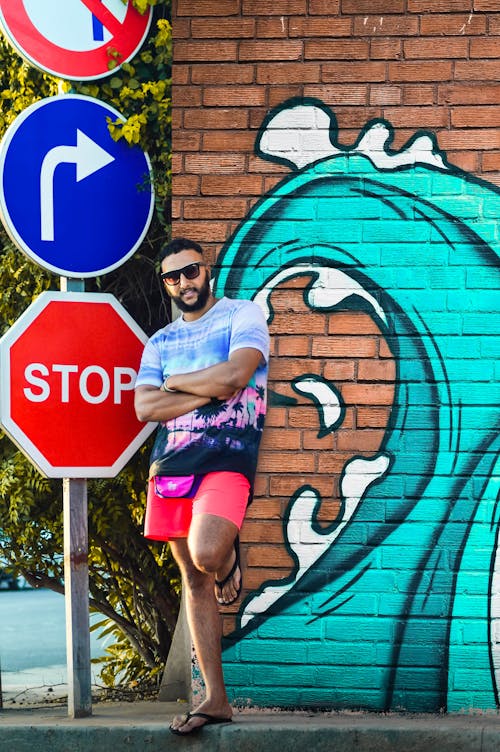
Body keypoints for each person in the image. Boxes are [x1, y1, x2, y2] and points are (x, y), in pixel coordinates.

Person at [134, 237, 269, 735]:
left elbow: (237, 375)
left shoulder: (243, 314)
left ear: (205, 269)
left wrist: (174, 385)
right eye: (172, 278)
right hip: (170, 467)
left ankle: (231, 554)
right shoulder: (160, 343)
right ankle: (215, 698)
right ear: (165, 284)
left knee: (208, 554)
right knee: (193, 581)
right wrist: (203, 388)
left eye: (189, 272)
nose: (183, 283)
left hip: (227, 457)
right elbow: (145, 409)